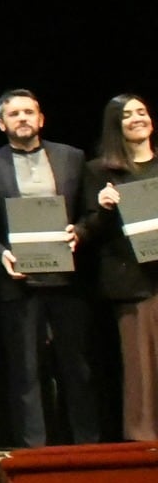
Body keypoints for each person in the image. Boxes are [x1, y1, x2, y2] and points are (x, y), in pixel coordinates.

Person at [0, 89, 96, 446]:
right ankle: (34, 450)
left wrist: (79, 232)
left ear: (41, 118)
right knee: (26, 371)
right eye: (14, 114)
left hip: (68, 279)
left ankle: (87, 446)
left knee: (77, 367)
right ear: (2, 124)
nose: (23, 118)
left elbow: (92, 213)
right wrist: (1, 254)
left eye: (29, 112)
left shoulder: (72, 157)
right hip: (19, 280)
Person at [80, 93, 158, 441]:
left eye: (142, 112)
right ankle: (144, 442)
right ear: (116, 126)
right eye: (127, 115)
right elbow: (91, 231)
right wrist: (104, 208)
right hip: (133, 281)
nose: (137, 118)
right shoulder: (101, 171)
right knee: (141, 366)